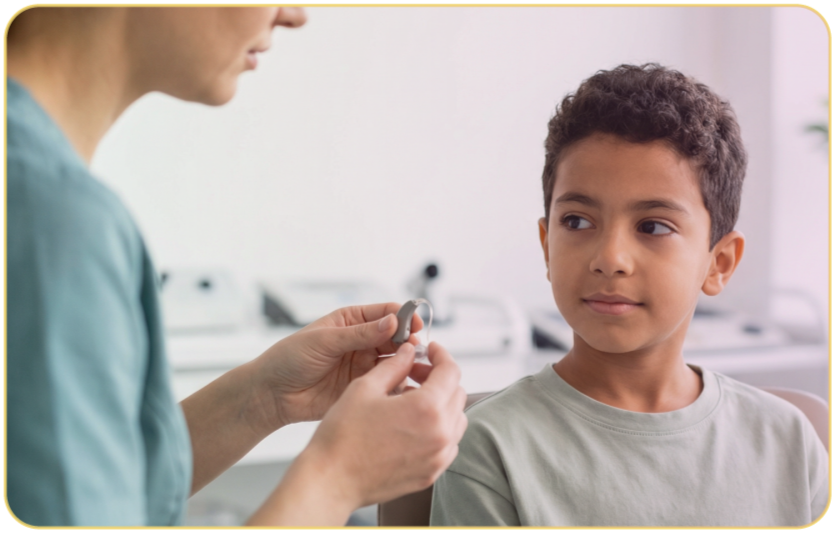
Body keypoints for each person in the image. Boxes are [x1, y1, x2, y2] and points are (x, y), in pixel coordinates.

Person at [5, 7, 467, 526]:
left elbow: (100, 477)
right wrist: (338, 479)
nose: (295, 14)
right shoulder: (54, 218)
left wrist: (264, 397)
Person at [429, 64, 829, 527]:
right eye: (577, 221)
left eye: (653, 226)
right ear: (546, 245)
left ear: (718, 263)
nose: (610, 258)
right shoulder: (489, 446)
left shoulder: (789, 441)